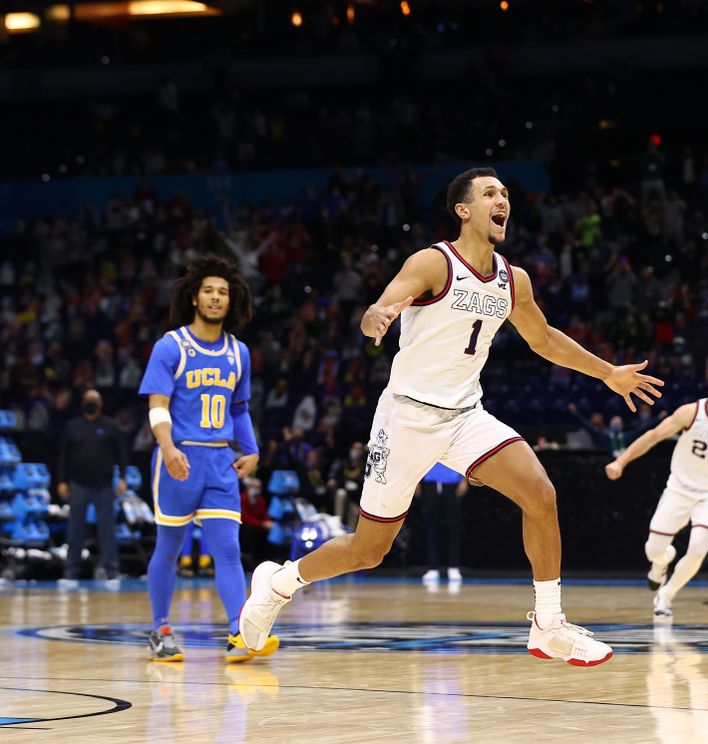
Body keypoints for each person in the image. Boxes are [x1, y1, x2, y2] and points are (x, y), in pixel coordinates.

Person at [239, 167, 663, 667]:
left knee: (541, 494)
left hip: (465, 415)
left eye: (505, 194)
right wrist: (376, 317)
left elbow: (544, 339)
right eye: (489, 193)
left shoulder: (513, 280)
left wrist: (608, 372)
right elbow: (379, 307)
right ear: (463, 210)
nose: (502, 200)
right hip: (406, 418)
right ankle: (279, 583)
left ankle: (549, 625)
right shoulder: (434, 262)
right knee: (368, 550)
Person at [138, 254, 276, 663]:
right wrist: (167, 448)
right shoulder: (171, 345)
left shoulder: (238, 352)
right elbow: (157, 406)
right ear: (195, 298)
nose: (216, 298)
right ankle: (161, 628)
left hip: (219, 462)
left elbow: (239, 409)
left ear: (232, 301)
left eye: (223, 292)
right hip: (179, 458)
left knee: (228, 549)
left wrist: (252, 450)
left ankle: (239, 632)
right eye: (209, 291)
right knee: (169, 548)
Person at [603, 358, 708, 618]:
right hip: (680, 488)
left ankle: (666, 596)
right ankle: (662, 562)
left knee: (697, 550)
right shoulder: (690, 413)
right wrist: (621, 461)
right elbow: (653, 436)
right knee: (654, 550)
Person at [56, 388, 128, 584]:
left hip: (103, 485)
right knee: (75, 529)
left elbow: (121, 454)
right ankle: (71, 572)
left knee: (107, 530)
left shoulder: (111, 426)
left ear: (101, 403)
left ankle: (112, 571)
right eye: (88, 399)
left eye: (94, 399)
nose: (91, 402)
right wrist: (61, 481)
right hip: (78, 484)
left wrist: (122, 477)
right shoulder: (72, 427)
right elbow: (63, 456)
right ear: (82, 403)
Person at [417, 462, 467, 584]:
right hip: (430, 480)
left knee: (453, 526)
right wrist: (416, 481)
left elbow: (463, 454)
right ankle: (432, 568)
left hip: (452, 480)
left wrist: (465, 479)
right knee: (431, 526)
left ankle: (454, 567)